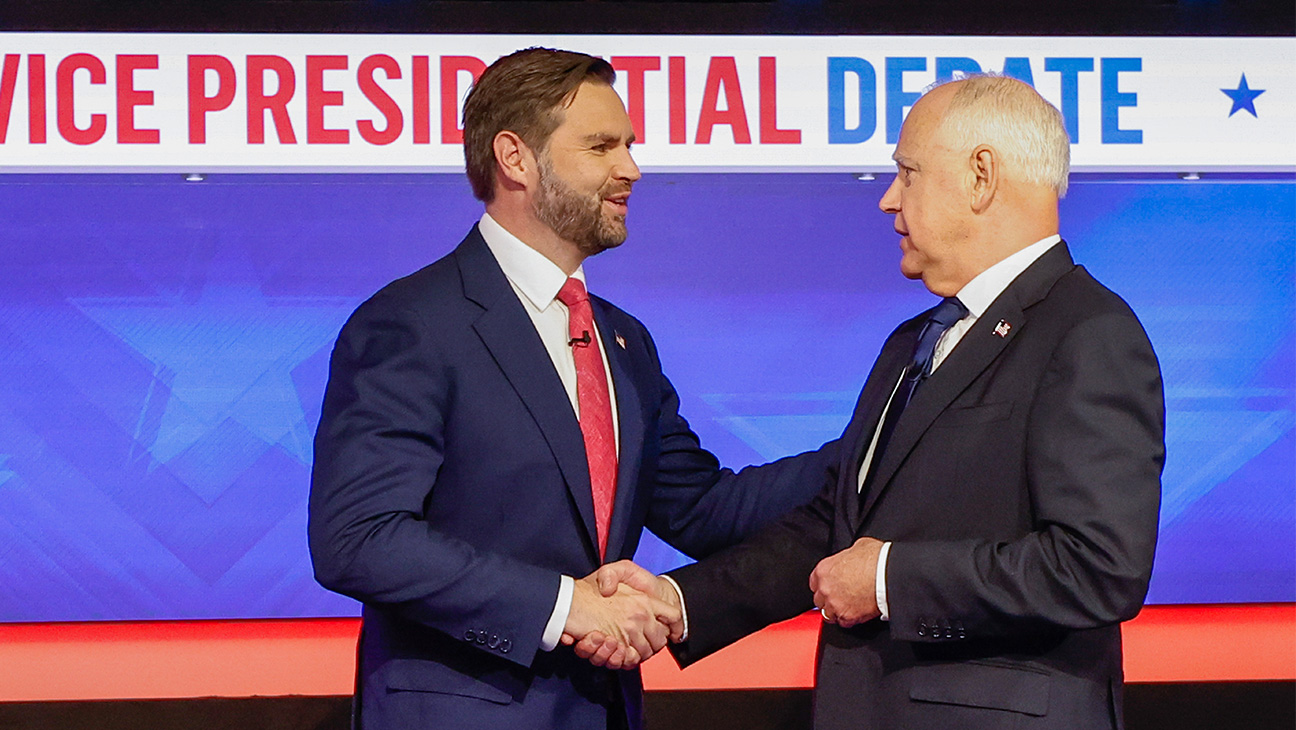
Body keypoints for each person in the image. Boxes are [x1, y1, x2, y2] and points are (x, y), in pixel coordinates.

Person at [588, 74, 1165, 729]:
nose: (890, 200)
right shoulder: (912, 343)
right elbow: (833, 526)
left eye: (908, 173)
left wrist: (891, 577)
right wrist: (677, 601)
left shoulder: (1087, 333)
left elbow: (1098, 568)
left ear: (981, 176)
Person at [308, 47, 836, 730]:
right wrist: (565, 606)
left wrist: (878, 451)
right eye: (601, 147)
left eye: (629, 146)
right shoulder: (412, 324)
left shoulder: (624, 340)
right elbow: (359, 537)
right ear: (516, 158)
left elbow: (704, 508)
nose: (631, 170)